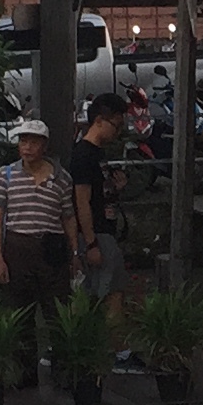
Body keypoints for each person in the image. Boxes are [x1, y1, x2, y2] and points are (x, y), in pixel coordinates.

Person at [0, 120, 75, 380]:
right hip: (18, 247)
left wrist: (74, 253)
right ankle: (25, 372)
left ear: (44, 146)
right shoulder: (6, 175)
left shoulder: (62, 178)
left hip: (51, 248)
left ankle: (63, 369)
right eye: (23, 141)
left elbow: (68, 217)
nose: (27, 148)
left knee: (57, 311)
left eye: (33, 142)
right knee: (20, 312)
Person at [70, 96, 127, 299]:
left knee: (111, 291)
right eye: (116, 125)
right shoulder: (83, 155)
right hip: (96, 234)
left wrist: (116, 187)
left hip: (106, 229)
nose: (117, 132)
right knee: (110, 294)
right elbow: (81, 201)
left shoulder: (98, 153)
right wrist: (91, 242)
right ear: (99, 120)